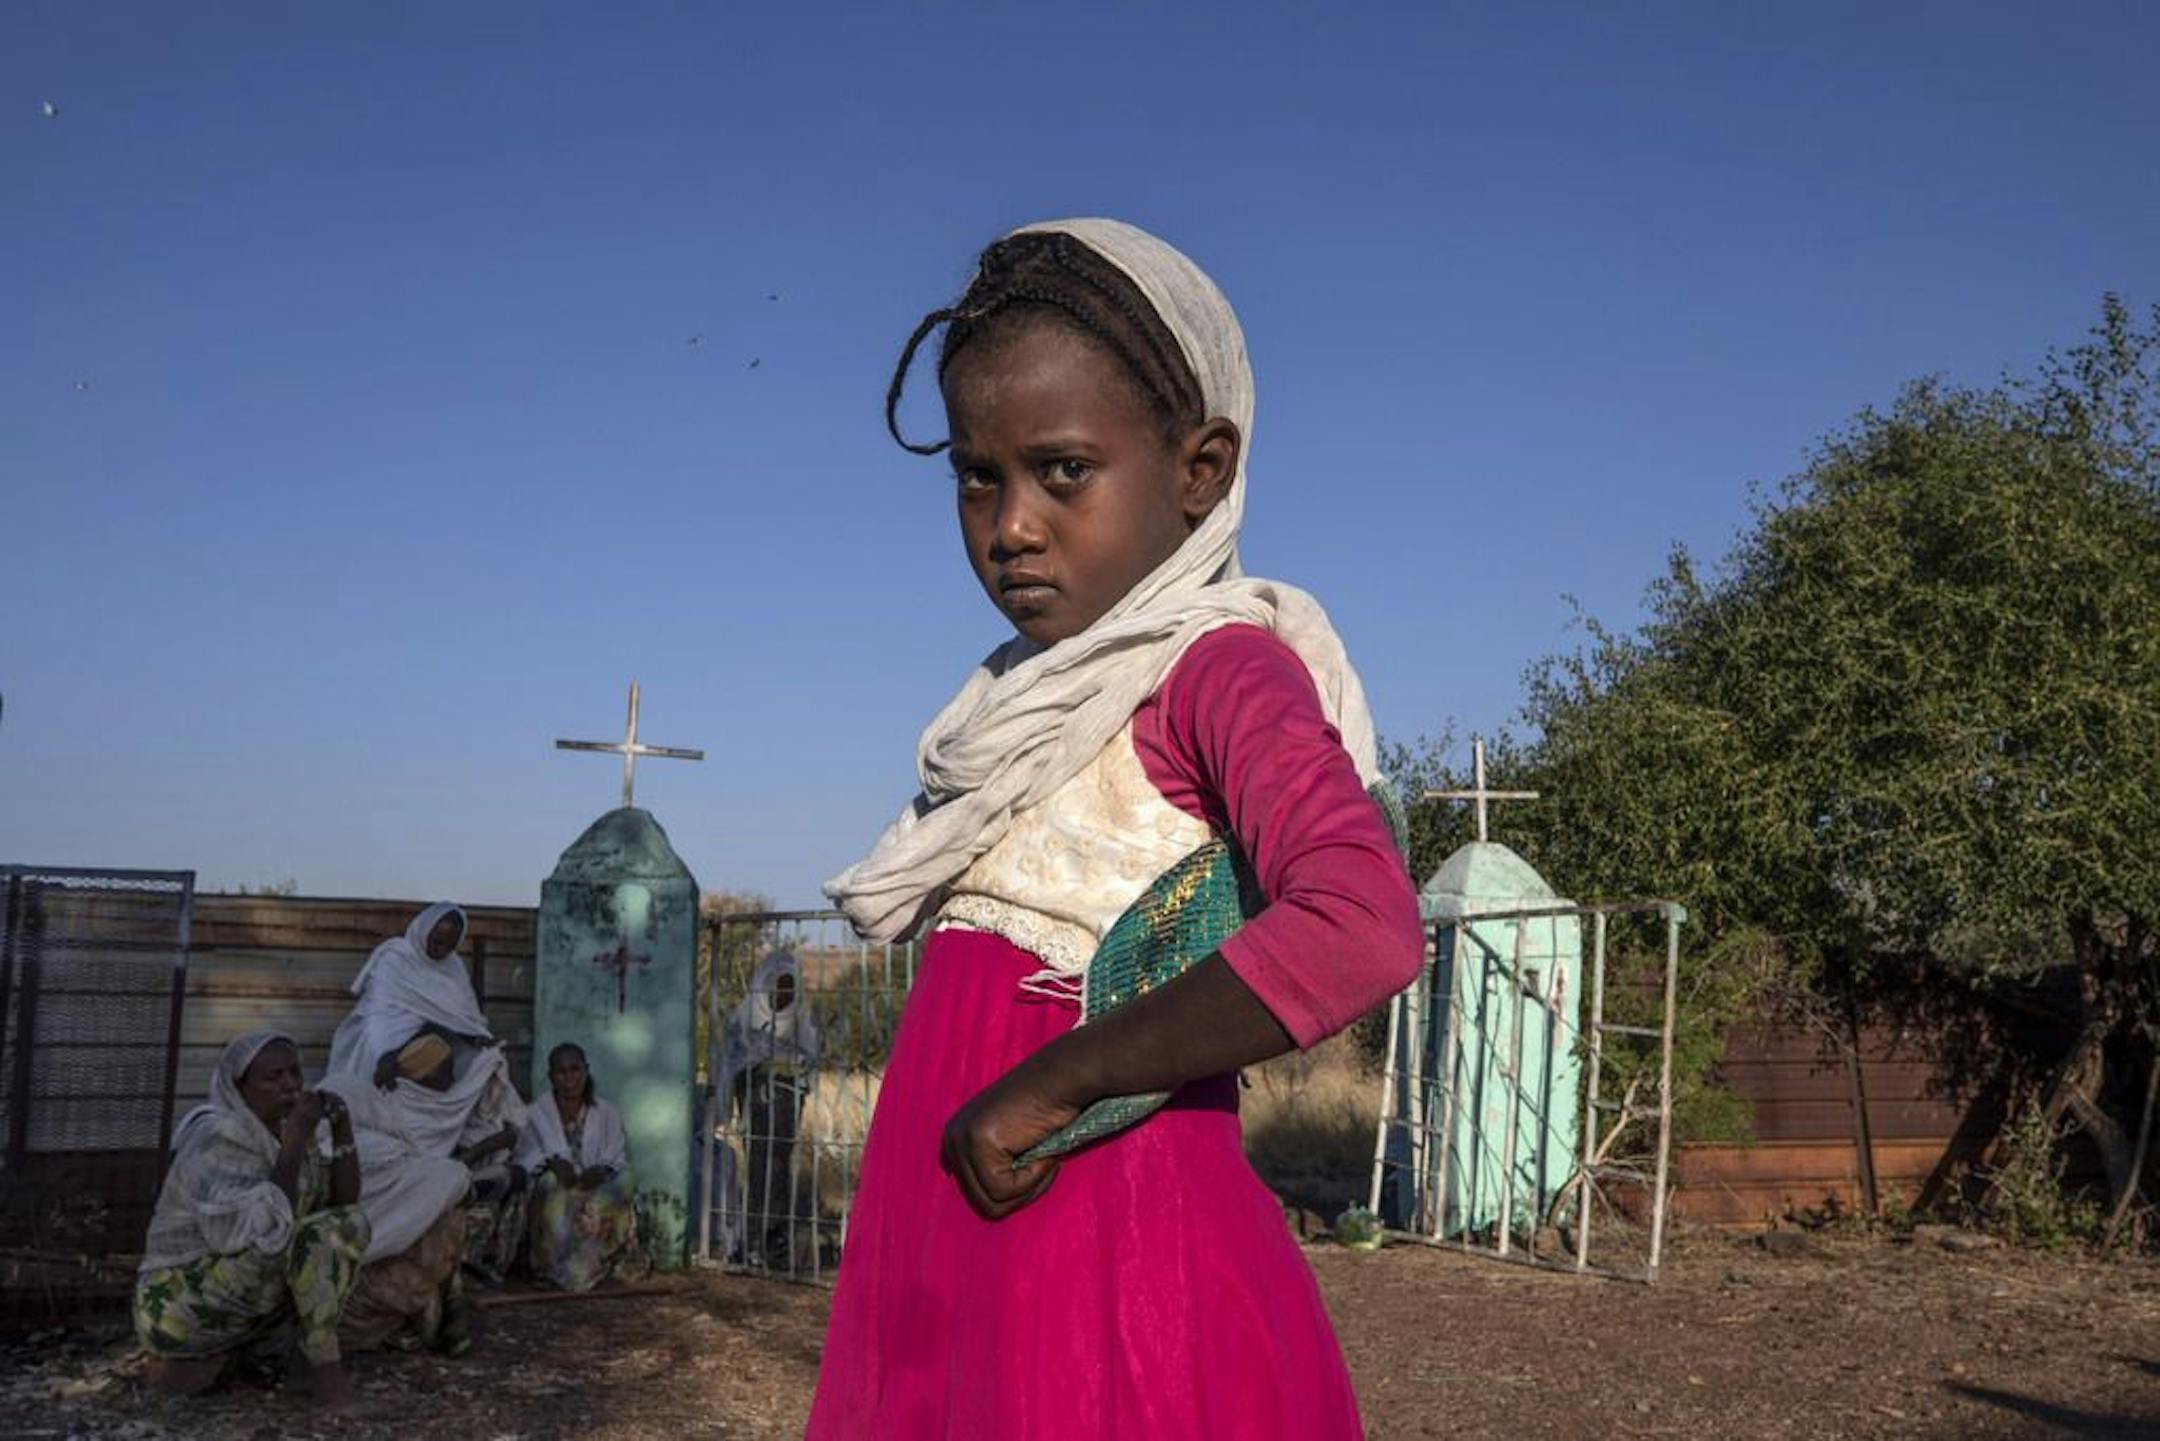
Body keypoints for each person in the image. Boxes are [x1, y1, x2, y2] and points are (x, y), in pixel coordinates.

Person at [808, 220, 1423, 1438]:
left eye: (1063, 470)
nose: (1012, 523)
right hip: (965, 1243)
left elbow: (1362, 921)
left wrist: (1052, 1082)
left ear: (1199, 471)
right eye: (979, 475)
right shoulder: (1022, 704)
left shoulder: (1215, 666)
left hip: (1112, 1254)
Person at [134, 1032, 369, 1408]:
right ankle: (323, 1366)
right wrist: (294, 1142)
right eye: (273, 1077)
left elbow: (342, 1204)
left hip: (232, 1288)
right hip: (177, 1302)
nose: (290, 1085)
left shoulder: (284, 1134)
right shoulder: (219, 1136)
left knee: (346, 1224)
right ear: (238, 1088)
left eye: (295, 1072)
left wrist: (342, 1129)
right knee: (322, 1235)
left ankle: (299, 1357)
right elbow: (259, 1232)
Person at [714, 949, 822, 1266]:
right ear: (764, 984)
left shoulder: (803, 1019)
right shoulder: (745, 1016)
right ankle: (750, 1236)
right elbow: (730, 1059)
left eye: (790, 986)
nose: (784, 993)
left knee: (780, 1165)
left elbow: (809, 1059)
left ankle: (774, 1236)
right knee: (759, 1163)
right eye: (778, 985)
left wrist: (786, 1065)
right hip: (755, 1098)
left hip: (788, 1098)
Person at [515, 1043, 644, 1291]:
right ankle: (552, 1265)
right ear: (551, 1076)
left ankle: (586, 1264)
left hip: (594, 1192)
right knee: (548, 1183)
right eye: (561, 1072)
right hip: (560, 1194)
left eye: (575, 1070)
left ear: (586, 1071)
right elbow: (523, 1156)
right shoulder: (536, 1113)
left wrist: (601, 1170)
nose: (569, 1079)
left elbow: (616, 1155)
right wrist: (550, 1163)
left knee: (625, 1181)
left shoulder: (607, 1113)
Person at [327, 902, 495, 1087]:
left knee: (482, 1060)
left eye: (450, 945)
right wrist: (392, 1052)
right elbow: (381, 1017)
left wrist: (478, 1036)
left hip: (437, 1036)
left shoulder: (454, 966)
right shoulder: (396, 958)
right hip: (388, 1037)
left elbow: (465, 1017)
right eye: (438, 941)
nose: (443, 950)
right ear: (425, 930)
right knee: (389, 1060)